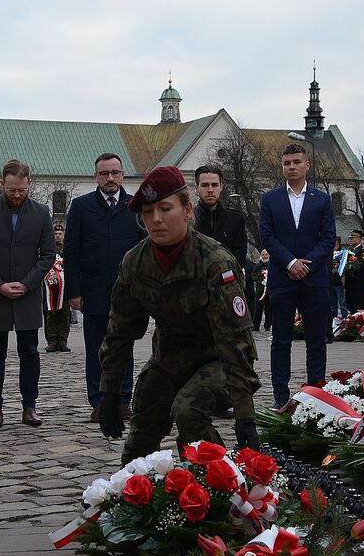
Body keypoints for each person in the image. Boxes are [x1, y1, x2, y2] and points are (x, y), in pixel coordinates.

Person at [97, 166, 260, 464]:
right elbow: (120, 332)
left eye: (165, 208)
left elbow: (235, 341)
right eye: (148, 212)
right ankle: (139, 486)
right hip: (169, 359)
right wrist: (109, 393)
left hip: (217, 359)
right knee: (142, 427)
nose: (156, 219)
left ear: (187, 210)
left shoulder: (215, 261)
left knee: (188, 410)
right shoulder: (136, 262)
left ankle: (216, 476)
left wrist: (244, 415)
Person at [0, 159, 56, 430]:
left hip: (27, 295)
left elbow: (48, 255)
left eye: (21, 190)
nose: (17, 195)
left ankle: (29, 407)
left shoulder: (41, 213)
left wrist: (28, 283)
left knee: (29, 351)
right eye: (11, 190)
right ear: (2, 185)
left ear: (29, 184)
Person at [63, 153, 144, 422]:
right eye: (104, 173)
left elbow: (145, 250)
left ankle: (123, 400)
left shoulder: (135, 207)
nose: (110, 178)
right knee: (96, 350)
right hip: (93, 291)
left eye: (115, 173)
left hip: (127, 293)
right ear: (95, 176)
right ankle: (98, 401)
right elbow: (71, 252)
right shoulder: (81, 206)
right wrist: (74, 291)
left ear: (122, 174)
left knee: (124, 348)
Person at [259, 142, 336, 407]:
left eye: (296, 162)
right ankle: (280, 397)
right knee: (281, 341)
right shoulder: (270, 199)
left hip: (314, 279)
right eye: (286, 163)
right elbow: (267, 236)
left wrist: (307, 265)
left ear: (306, 165)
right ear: (282, 167)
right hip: (282, 278)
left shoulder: (322, 199)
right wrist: (291, 263)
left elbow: (328, 238)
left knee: (316, 340)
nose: (291, 167)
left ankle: (315, 395)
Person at [193, 164, 248, 267]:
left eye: (214, 185)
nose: (210, 190)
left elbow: (240, 255)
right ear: (196, 188)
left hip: (227, 275)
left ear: (221, 187)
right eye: (205, 185)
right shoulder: (186, 220)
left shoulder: (235, 220)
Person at [44, 222, 72, 353]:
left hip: (64, 287)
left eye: (60, 233)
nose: (57, 236)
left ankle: (63, 340)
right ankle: (52, 340)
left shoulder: (68, 249)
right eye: (55, 234)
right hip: (49, 287)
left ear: (64, 234)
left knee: (64, 313)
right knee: (50, 313)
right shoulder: (47, 248)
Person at [343, 230, 364, 311]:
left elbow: (360, 266)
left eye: (352, 238)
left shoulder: (362, 251)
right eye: (350, 238)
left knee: (359, 308)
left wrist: (347, 267)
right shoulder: (350, 251)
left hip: (358, 285)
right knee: (351, 306)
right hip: (350, 284)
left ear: (359, 239)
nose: (350, 240)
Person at [253, 249, 272, 332]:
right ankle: (256, 325)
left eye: (266, 254)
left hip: (269, 291)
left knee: (268, 310)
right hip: (259, 291)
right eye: (263, 254)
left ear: (269, 255)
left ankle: (267, 325)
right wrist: (259, 279)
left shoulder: (271, 265)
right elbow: (253, 275)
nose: (264, 256)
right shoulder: (258, 266)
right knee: (257, 309)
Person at [329, 237, 347, 321]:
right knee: (333, 304)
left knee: (342, 303)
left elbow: (344, 267)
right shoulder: (329, 252)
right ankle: (334, 320)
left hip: (339, 282)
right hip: (331, 282)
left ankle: (344, 320)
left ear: (338, 244)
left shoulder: (343, 254)